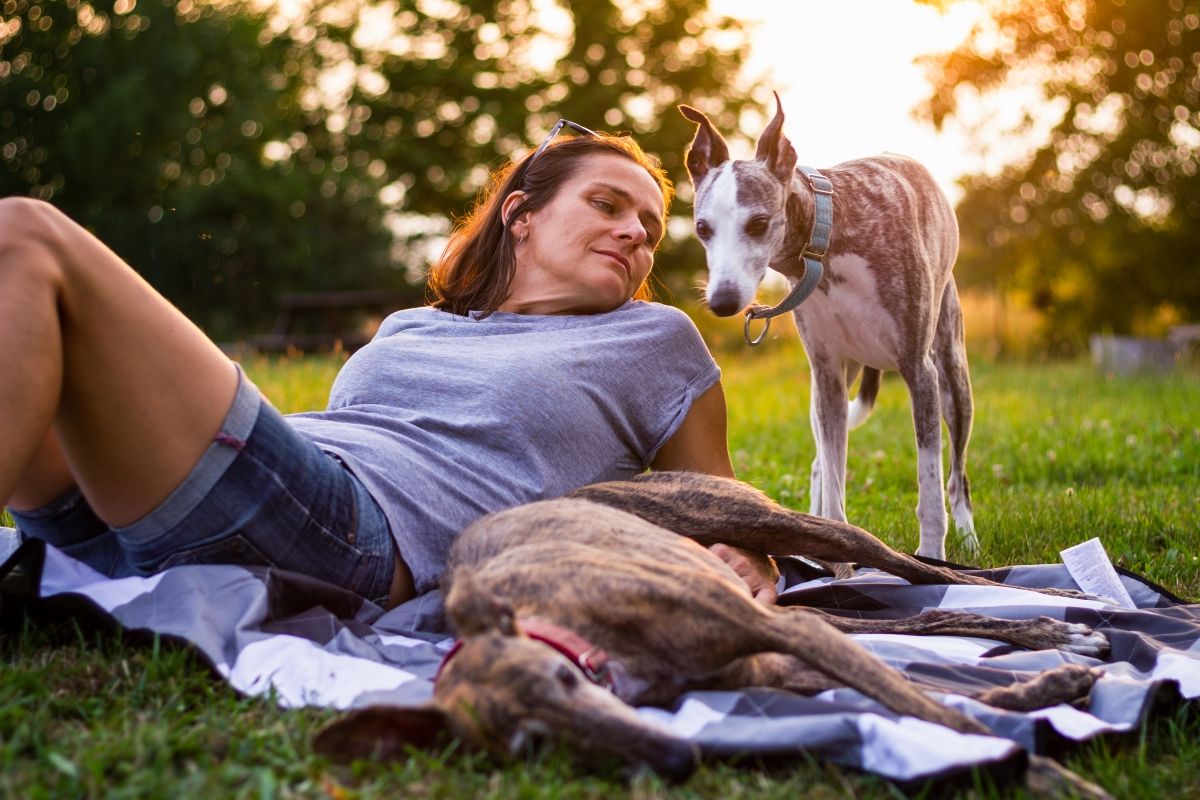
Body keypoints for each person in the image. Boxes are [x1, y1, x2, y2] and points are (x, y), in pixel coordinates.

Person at [0, 121, 778, 608]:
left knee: (27, 235)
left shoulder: (654, 337)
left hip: (355, 537)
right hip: (204, 509)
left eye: (650, 222)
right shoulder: (414, 324)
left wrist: (748, 548)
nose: (638, 233)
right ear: (522, 216)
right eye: (608, 204)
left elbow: (714, 494)